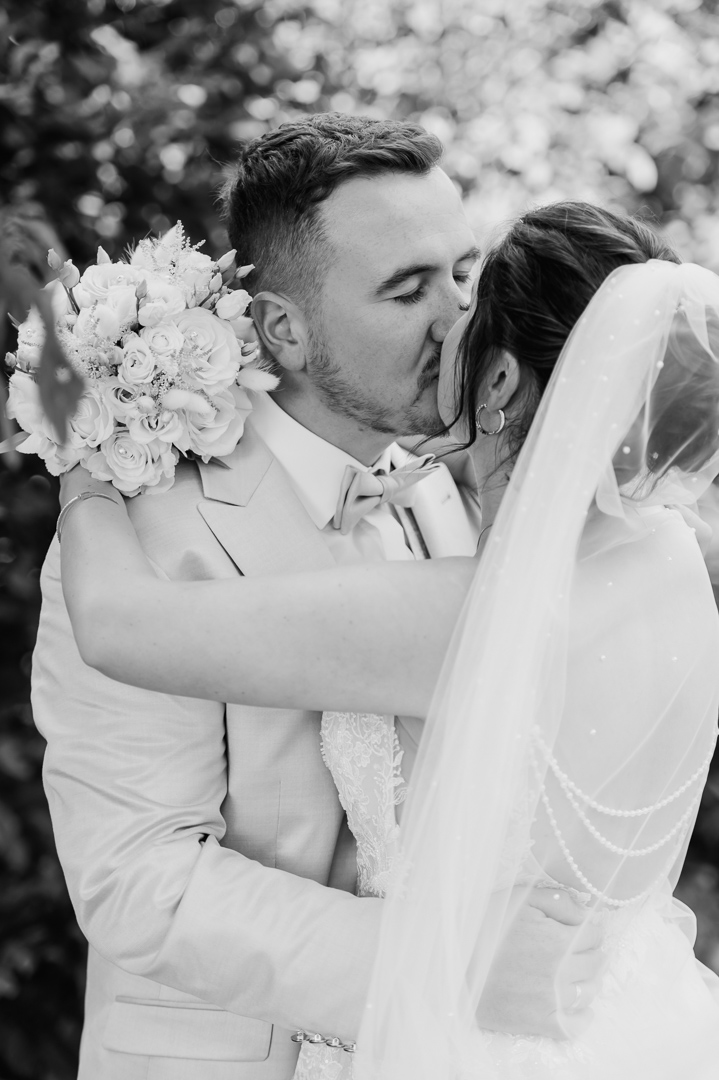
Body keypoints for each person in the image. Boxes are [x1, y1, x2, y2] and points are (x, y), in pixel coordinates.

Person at [58, 202, 719, 1078]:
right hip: (628, 1019)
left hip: (472, 1040)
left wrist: (85, 444)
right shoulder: (669, 559)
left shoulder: (475, 612)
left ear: (498, 381)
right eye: (412, 289)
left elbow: (115, 624)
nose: (449, 320)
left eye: (466, 288)